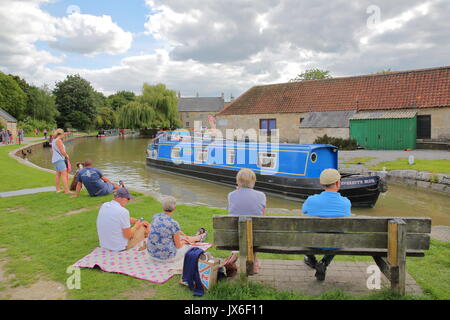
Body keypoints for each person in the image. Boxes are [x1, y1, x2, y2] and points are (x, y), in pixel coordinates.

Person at [301, 168, 351, 281]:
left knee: (302, 233)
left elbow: (304, 211)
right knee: (337, 236)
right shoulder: (346, 202)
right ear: (338, 183)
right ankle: (324, 263)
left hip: (312, 242)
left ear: (322, 184)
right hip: (334, 243)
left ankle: (313, 261)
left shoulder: (311, 200)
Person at [147, 196, 205, 266]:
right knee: (187, 246)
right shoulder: (173, 223)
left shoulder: (155, 216)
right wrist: (184, 241)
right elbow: (178, 246)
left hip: (152, 254)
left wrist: (180, 234)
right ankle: (199, 237)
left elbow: (163, 230)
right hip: (166, 257)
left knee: (179, 237)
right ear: (174, 208)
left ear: (163, 207)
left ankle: (197, 237)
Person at [51, 128, 71, 194]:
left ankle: (57, 189)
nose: (64, 135)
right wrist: (66, 155)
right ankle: (67, 190)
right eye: (63, 134)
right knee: (64, 174)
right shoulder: (59, 140)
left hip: (55, 159)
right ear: (61, 134)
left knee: (58, 174)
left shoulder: (53, 140)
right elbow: (62, 151)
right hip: (59, 159)